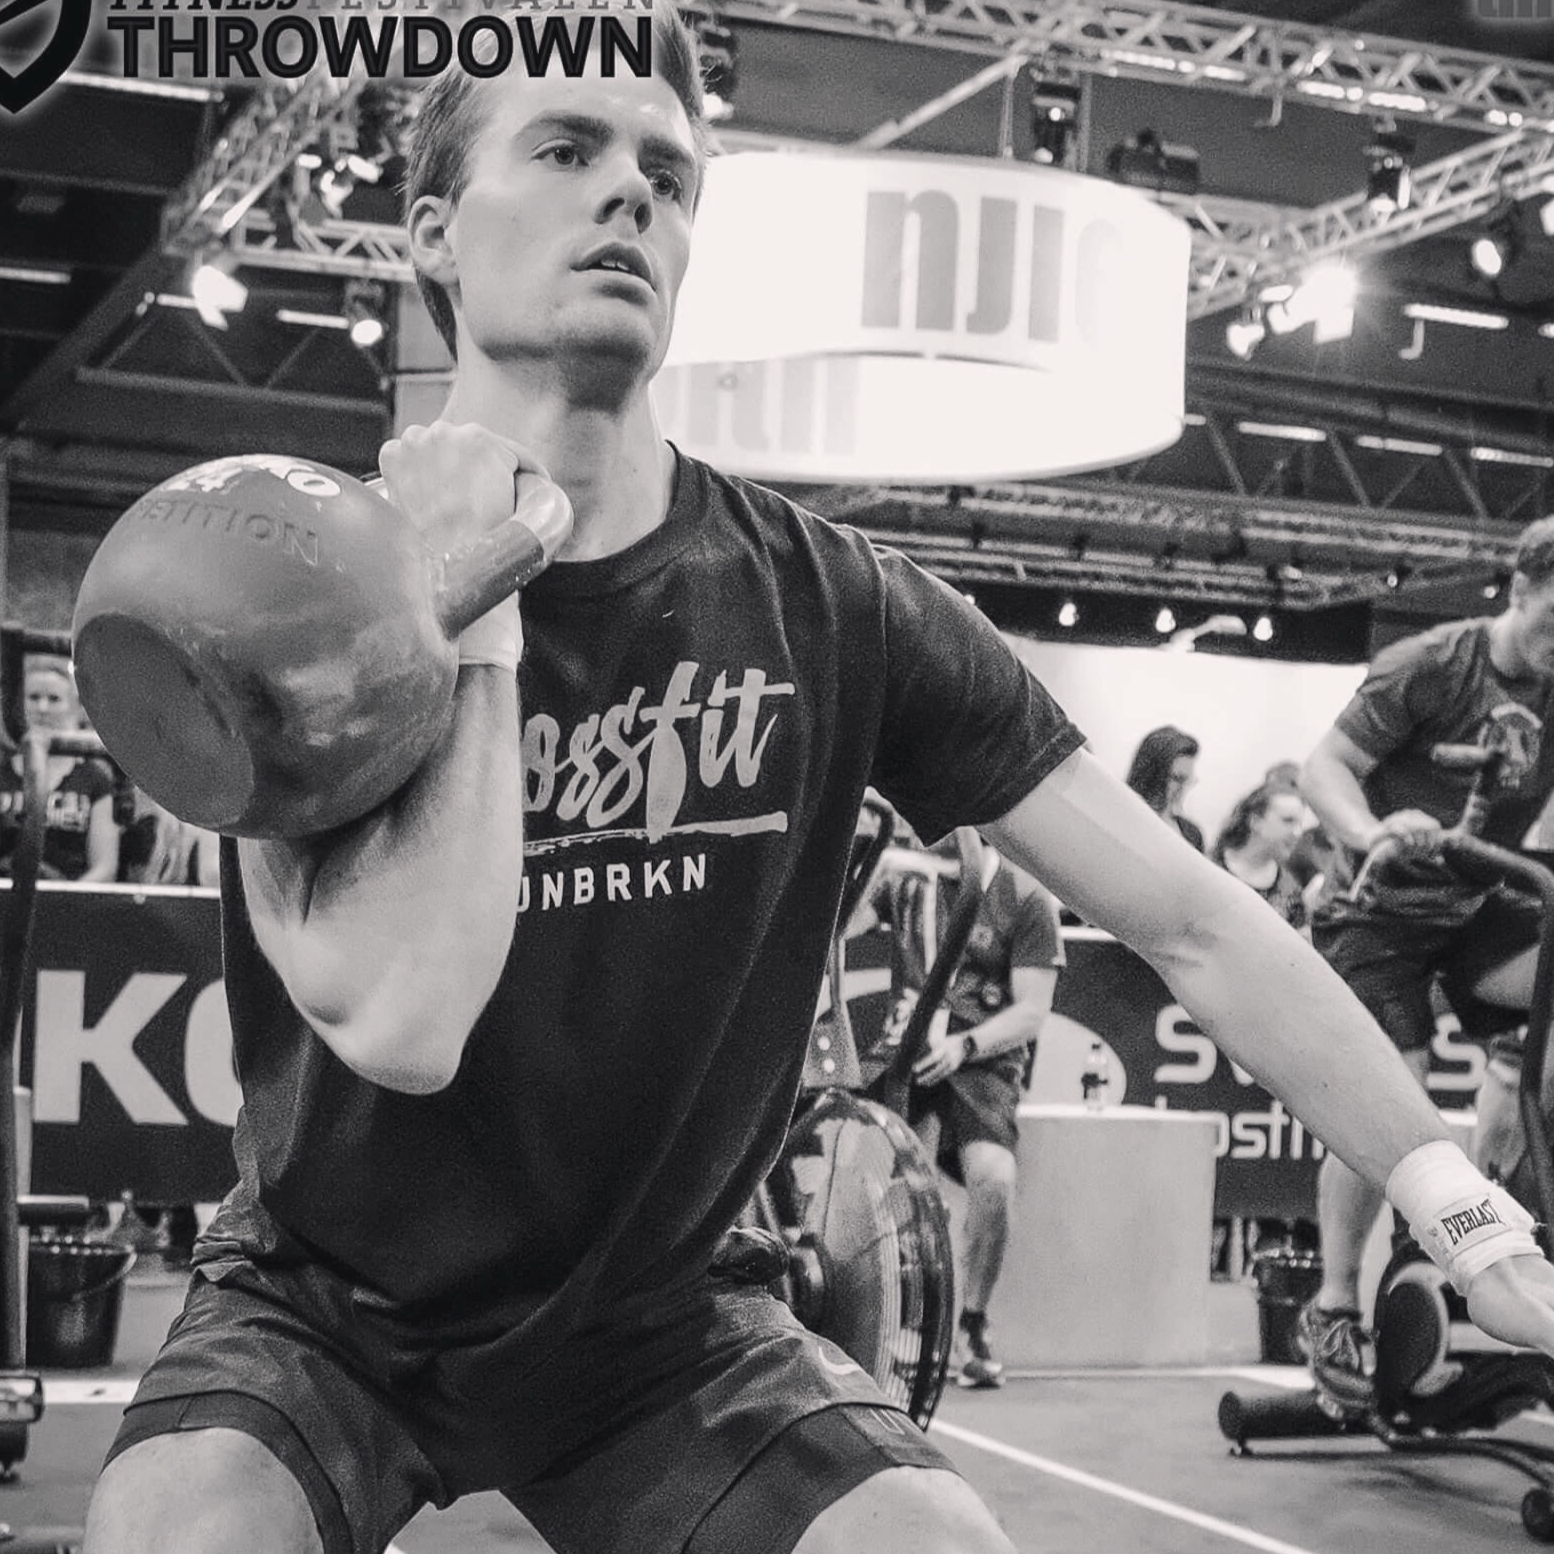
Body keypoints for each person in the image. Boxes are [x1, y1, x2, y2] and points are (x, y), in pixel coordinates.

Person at [85, 19, 1554, 1554]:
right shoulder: (297, 586)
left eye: (667, 175)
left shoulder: (839, 608)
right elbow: (404, 1023)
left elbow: (1190, 918)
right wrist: (482, 589)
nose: (630, 194)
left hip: (655, 1328)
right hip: (329, 1314)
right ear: (432, 232)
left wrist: (1459, 1203)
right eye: (567, 149)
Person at [1297, 520, 1554, 1418]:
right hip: (1375, 913)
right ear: (1519, 589)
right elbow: (1323, 768)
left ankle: (1499, 1224)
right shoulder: (1432, 664)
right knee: (1391, 1104)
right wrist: (1371, 831)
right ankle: (1333, 1307)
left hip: (1475, 907)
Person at [862, 838, 1062, 1389]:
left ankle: (972, 1322)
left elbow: (1033, 1010)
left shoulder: (1026, 897)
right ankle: (902, 1325)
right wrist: (868, 862)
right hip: (905, 1052)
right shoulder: (903, 876)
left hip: (982, 1062)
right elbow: (841, 926)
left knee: (994, 1180)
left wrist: (967, 1045)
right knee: (895, 1188)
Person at [0, 655, 118, 883]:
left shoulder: (95, 780)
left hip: (72, 898)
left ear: (74, 706)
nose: (42, 708)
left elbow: (105, 867)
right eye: (34, 697)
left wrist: (64, 899)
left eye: (54, 699)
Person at [1212, 782, 1310, 934]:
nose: (1297, 833)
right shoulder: (1210, 866)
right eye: (1288, 821)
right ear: (1256, 821)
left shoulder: (1291, 890)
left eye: (1300, 824)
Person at [1124, 724, 1204, 849]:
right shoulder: (1123, 819)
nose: (1182, 789)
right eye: (1177, 779)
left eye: (1187, 780)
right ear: (1151, 774)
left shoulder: (1192, 836)